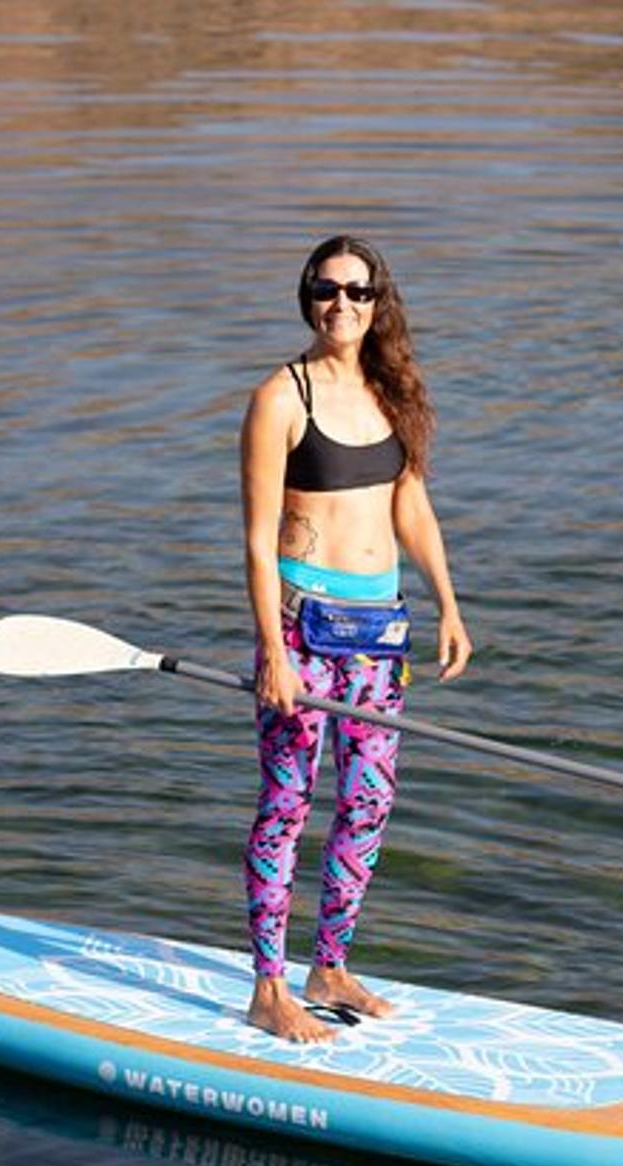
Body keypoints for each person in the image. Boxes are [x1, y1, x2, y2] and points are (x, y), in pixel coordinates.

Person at [239, 235, 471, 1043]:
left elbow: (410, 505)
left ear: (379, 302)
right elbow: (258, 537)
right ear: (307, 295)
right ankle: (269, 987)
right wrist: (271, 649)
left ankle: (328, 965)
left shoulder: (392, 390)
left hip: (382, 633)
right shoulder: (281, 397)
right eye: (327, 289)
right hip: (303, 632)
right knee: (288, 805)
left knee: (368, 803)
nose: (343, 304)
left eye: (359, 292)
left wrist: (447, 602)